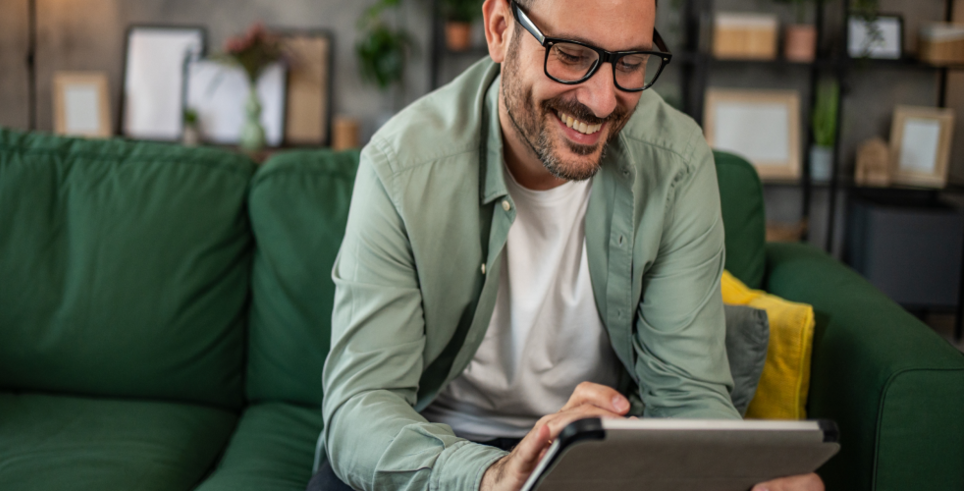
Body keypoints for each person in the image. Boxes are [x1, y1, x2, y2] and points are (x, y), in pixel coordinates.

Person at [310, 0, 824, 490]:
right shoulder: (400, 168)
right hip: (437, 451)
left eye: (631, 62)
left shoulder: (677, 164)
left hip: (598, 450)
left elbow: (686, 396)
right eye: (572, 55)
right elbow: (361, 406)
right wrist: (489, 476)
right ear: (500, 29)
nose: (602, 101)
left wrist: (743, 476)